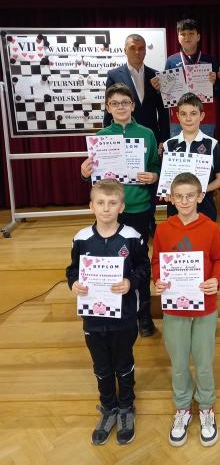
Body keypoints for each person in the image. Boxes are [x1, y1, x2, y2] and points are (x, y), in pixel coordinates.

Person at [66, 179, 149, 445]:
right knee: (101, 367)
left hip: (124, 317)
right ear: (91, 206)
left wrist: (130, 282)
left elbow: (144, 267)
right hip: (93, 317)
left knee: (123, 364)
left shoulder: (132, 237)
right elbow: (72, 270)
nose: (106, 208)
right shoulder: (81, 238)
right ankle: (108, 408)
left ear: (121, 207)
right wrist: (74, 283)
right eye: (100, 203)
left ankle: (126, 408)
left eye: (112, 203)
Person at [152, 173, 220, 448]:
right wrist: (158, 280)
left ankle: (206, 406)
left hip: (205, 307)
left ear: (200, 197)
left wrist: (215, 280)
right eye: (179, 197)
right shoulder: (163, 229)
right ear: (171, 199)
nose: (184, 201)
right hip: (175, 307)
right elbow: (156, 262)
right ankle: (182, 407)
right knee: (180, 363)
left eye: (190, 196)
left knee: (204, 362)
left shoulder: (211, 228)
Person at [81, 83, 159, 337]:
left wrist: (153, 176)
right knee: (112, 261)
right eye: (114, 103)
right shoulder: (101, 137)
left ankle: (144, 316)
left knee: (139, 262)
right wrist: (85, 173)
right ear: (108, 107)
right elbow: (95, 179)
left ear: (133, 106)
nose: (120, 107)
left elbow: (155, 166)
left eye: (125, 102)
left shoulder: (147, 134)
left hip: (139, 208)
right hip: (111, 212)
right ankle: (113, 312)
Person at [104, 33, 170, 240]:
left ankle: (148, 219)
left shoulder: (156, 75)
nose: (137, 52)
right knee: (127, 180)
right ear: (125, 50)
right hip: (122, 137)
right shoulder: (114, 74)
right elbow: (108, 109)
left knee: (148, 178)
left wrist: (164, 138)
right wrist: (107, 140)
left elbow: (163, 110)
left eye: (141, 48)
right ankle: (122, 221)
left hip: (149, 137)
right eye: (133, 48)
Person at [151, 18, 220, 137]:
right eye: (183, 34)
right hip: (179, 119)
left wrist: (215, 83)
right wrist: (159, 88)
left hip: (204, 118)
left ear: (198, 36)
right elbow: (166, 93)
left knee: (205, 149)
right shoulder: (171, 61)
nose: (187, 37)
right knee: (179, 149)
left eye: (191, 33)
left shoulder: (209, 60)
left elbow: (219, 91)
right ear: (178, 37)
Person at [162, 92, 220, 221]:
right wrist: (166, 191)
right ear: (177, 116)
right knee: (177, 235)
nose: (188, 118)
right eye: (183, 114)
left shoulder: (212, 144)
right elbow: (165, 179)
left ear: (202, 116)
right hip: (176, 210)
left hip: (204, 209)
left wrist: (199, 191)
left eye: (193, 113)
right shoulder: (168, 145)